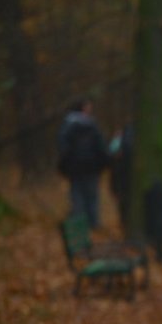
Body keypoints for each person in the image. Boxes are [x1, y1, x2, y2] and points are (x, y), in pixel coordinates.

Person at [57, 98, 110, 228]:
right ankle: (94, 223)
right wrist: (104, 162)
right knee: (91, 195)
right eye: (87, 107)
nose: (90, 110)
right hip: (91, 166)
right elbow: (101, 146)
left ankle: (80, 225)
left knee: (77, 195)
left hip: (75, 167)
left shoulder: (67, 125)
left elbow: (62, 147)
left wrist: (65, 164)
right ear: (82, 108)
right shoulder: (92, 125)